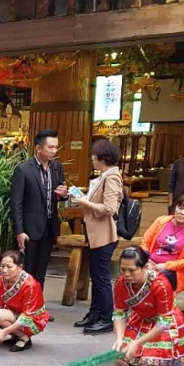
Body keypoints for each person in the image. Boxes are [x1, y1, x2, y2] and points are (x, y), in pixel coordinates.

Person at [111, 246, 184, 366]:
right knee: (122, 363)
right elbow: (119, 312)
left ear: (145, 267)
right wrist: (120, 338)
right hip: (141, 320)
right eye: (123, 269)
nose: (126, 274)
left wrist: (138, 342)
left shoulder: (160, 285)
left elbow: (164, 322)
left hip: (163, 324)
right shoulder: (120, 283)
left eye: (132, 270)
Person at [73, 139, 124, 334]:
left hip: (104, 234)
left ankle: (106, 317)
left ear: (102, 158)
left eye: (94, 157)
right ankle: (95, 312)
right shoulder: (104, 175)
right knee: (96, 275)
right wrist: (82, 197)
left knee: (101, 277)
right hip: (96, 233)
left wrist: (85, 203)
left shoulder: (111, 177)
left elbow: (109, 208)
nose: (92, 160)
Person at [9, 129, 68, 287]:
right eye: (50, 147)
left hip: (49, 227)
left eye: (56, 147)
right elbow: (16, 202)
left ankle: (37, 307)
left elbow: (59, 194)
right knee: (27, 270)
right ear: (39, 148)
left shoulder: (57, 168)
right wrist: (19, 231)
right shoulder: (24, 170)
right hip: (30, 228)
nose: (54, 151)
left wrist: (63, 193)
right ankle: (25, 305)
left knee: (42, 271)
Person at [0, 249, 49, 352]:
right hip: (14, 314)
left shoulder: (30, 285)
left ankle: (24, 338)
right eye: (2, 266)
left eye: (9, 267)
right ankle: (16, 335)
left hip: (33, 320)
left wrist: (3, 332)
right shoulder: (0, 281)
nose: (4, 270)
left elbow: (26, 317)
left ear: (20, 267)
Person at [140, 194, 184, 292]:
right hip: (148, 263)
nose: (182, 212)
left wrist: (166, 266)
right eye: (180, 208)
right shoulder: (161, 221)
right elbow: (145, 243)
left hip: (172, 270)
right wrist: (146, 259)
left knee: (155, 278)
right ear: (175, 207)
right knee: (132, 271)